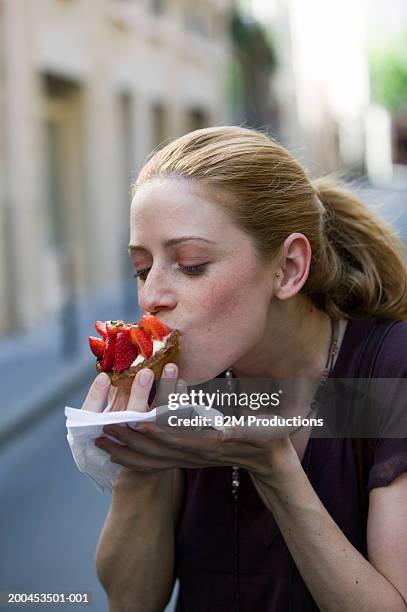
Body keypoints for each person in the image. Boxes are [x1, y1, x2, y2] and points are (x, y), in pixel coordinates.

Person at [82, 126, 407, 611]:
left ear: (289, 268)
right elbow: (131, 601)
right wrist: (140, 456)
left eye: (190, 265)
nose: (151, 297)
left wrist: (274, 468)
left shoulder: (387, 371)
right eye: (142, 267)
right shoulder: (190, 385)